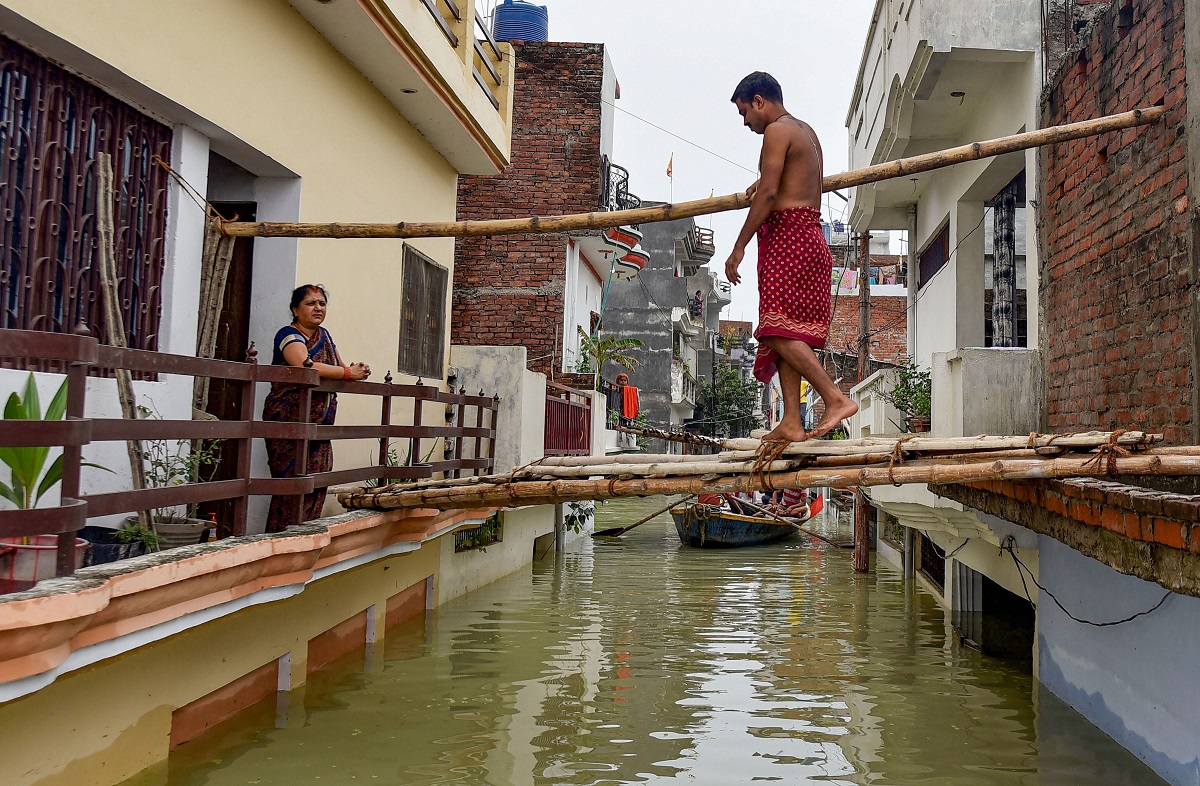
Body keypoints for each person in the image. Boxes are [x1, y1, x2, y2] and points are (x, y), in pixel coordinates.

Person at [724, 71, 858, 443]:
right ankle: (792, 422)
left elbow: (769, 195)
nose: (745, 122)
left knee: (773, 329)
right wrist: (763, 183)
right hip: (810, 239)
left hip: (790, 240)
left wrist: (739, 246)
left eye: (744, 112)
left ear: (759, 101)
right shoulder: (807, 132)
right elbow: (788, 182)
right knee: (789, 329)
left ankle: (834, 398)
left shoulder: (777, 131)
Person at [262, 284, 370, 532]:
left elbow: (341, 369)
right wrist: (346, 373)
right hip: (289, 424)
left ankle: (307, 533)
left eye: (322, 303)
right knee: (291, 485)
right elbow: (305, 365)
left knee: (317, 481)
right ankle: (282, 537)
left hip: (320, 429)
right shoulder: (288, 335)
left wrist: (356, 371)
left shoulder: (325, 336)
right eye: (311, 303)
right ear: (295, 310)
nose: (318, 308)